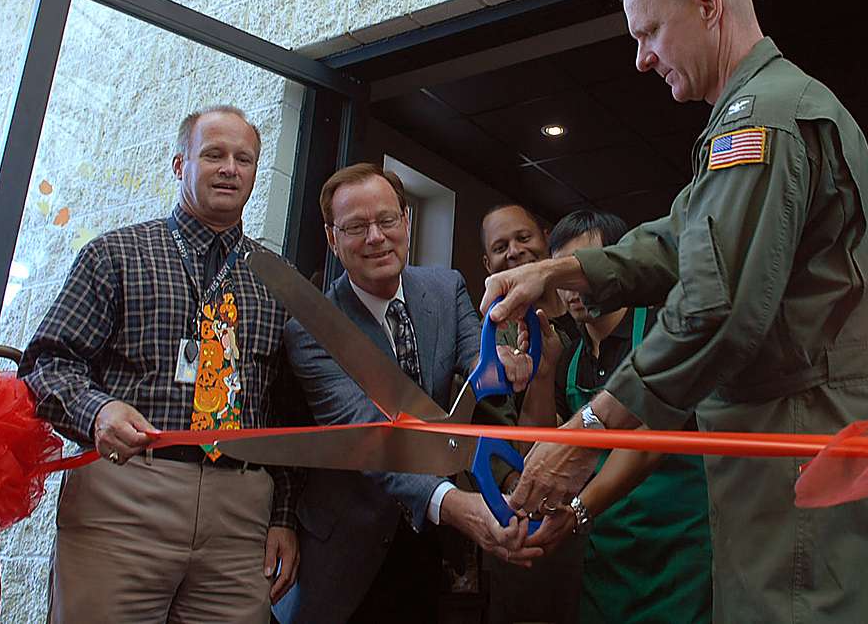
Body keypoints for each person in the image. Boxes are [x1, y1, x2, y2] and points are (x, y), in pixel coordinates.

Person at [481, 0, 868, 622]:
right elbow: (680, 239)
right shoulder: (749, 117)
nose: (640, 59)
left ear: (709, 5)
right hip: (794, 459)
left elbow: (713, 304)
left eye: (649, 31)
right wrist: (559, 269)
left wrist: (584, 434)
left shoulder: (763, 121)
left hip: (805, 456)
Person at [18, 105, 300, 623]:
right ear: (178, 164)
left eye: (244, 159)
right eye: (213, 154)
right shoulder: (115, 254)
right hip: (125, 497)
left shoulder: (279, 280)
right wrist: (98, 413)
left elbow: (281, 408)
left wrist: (282, 516)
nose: (230, 168)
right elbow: (46, 364)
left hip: (240, 516)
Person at [286, 163, 539, 624]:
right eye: (356, 227)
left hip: (429, 545)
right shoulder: (312, 328)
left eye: (386, 220)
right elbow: (367, 434)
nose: (376, 237)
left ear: (407, 220)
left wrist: (503, 369)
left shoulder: (446, 288)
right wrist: (458, 506)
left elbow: (477, 385)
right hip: (349, 550)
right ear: (331, 238)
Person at [528, 209, 711, 624]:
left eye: (583, 273)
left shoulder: (663, 339)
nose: (574, 291)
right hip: (606, 558)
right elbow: (543, 454)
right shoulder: (568, 361)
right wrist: (542, 373)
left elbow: (651, 440)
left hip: (680, 554)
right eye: (564, 280)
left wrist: (577, 511)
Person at [478, 202, 585, 624]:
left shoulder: (591, 318)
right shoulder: (492, 340)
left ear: (545, 238)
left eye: (524, 238)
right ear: (487, 263)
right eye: (501, 247)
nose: (516, 252)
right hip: (529, 525)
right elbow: (512, 452)